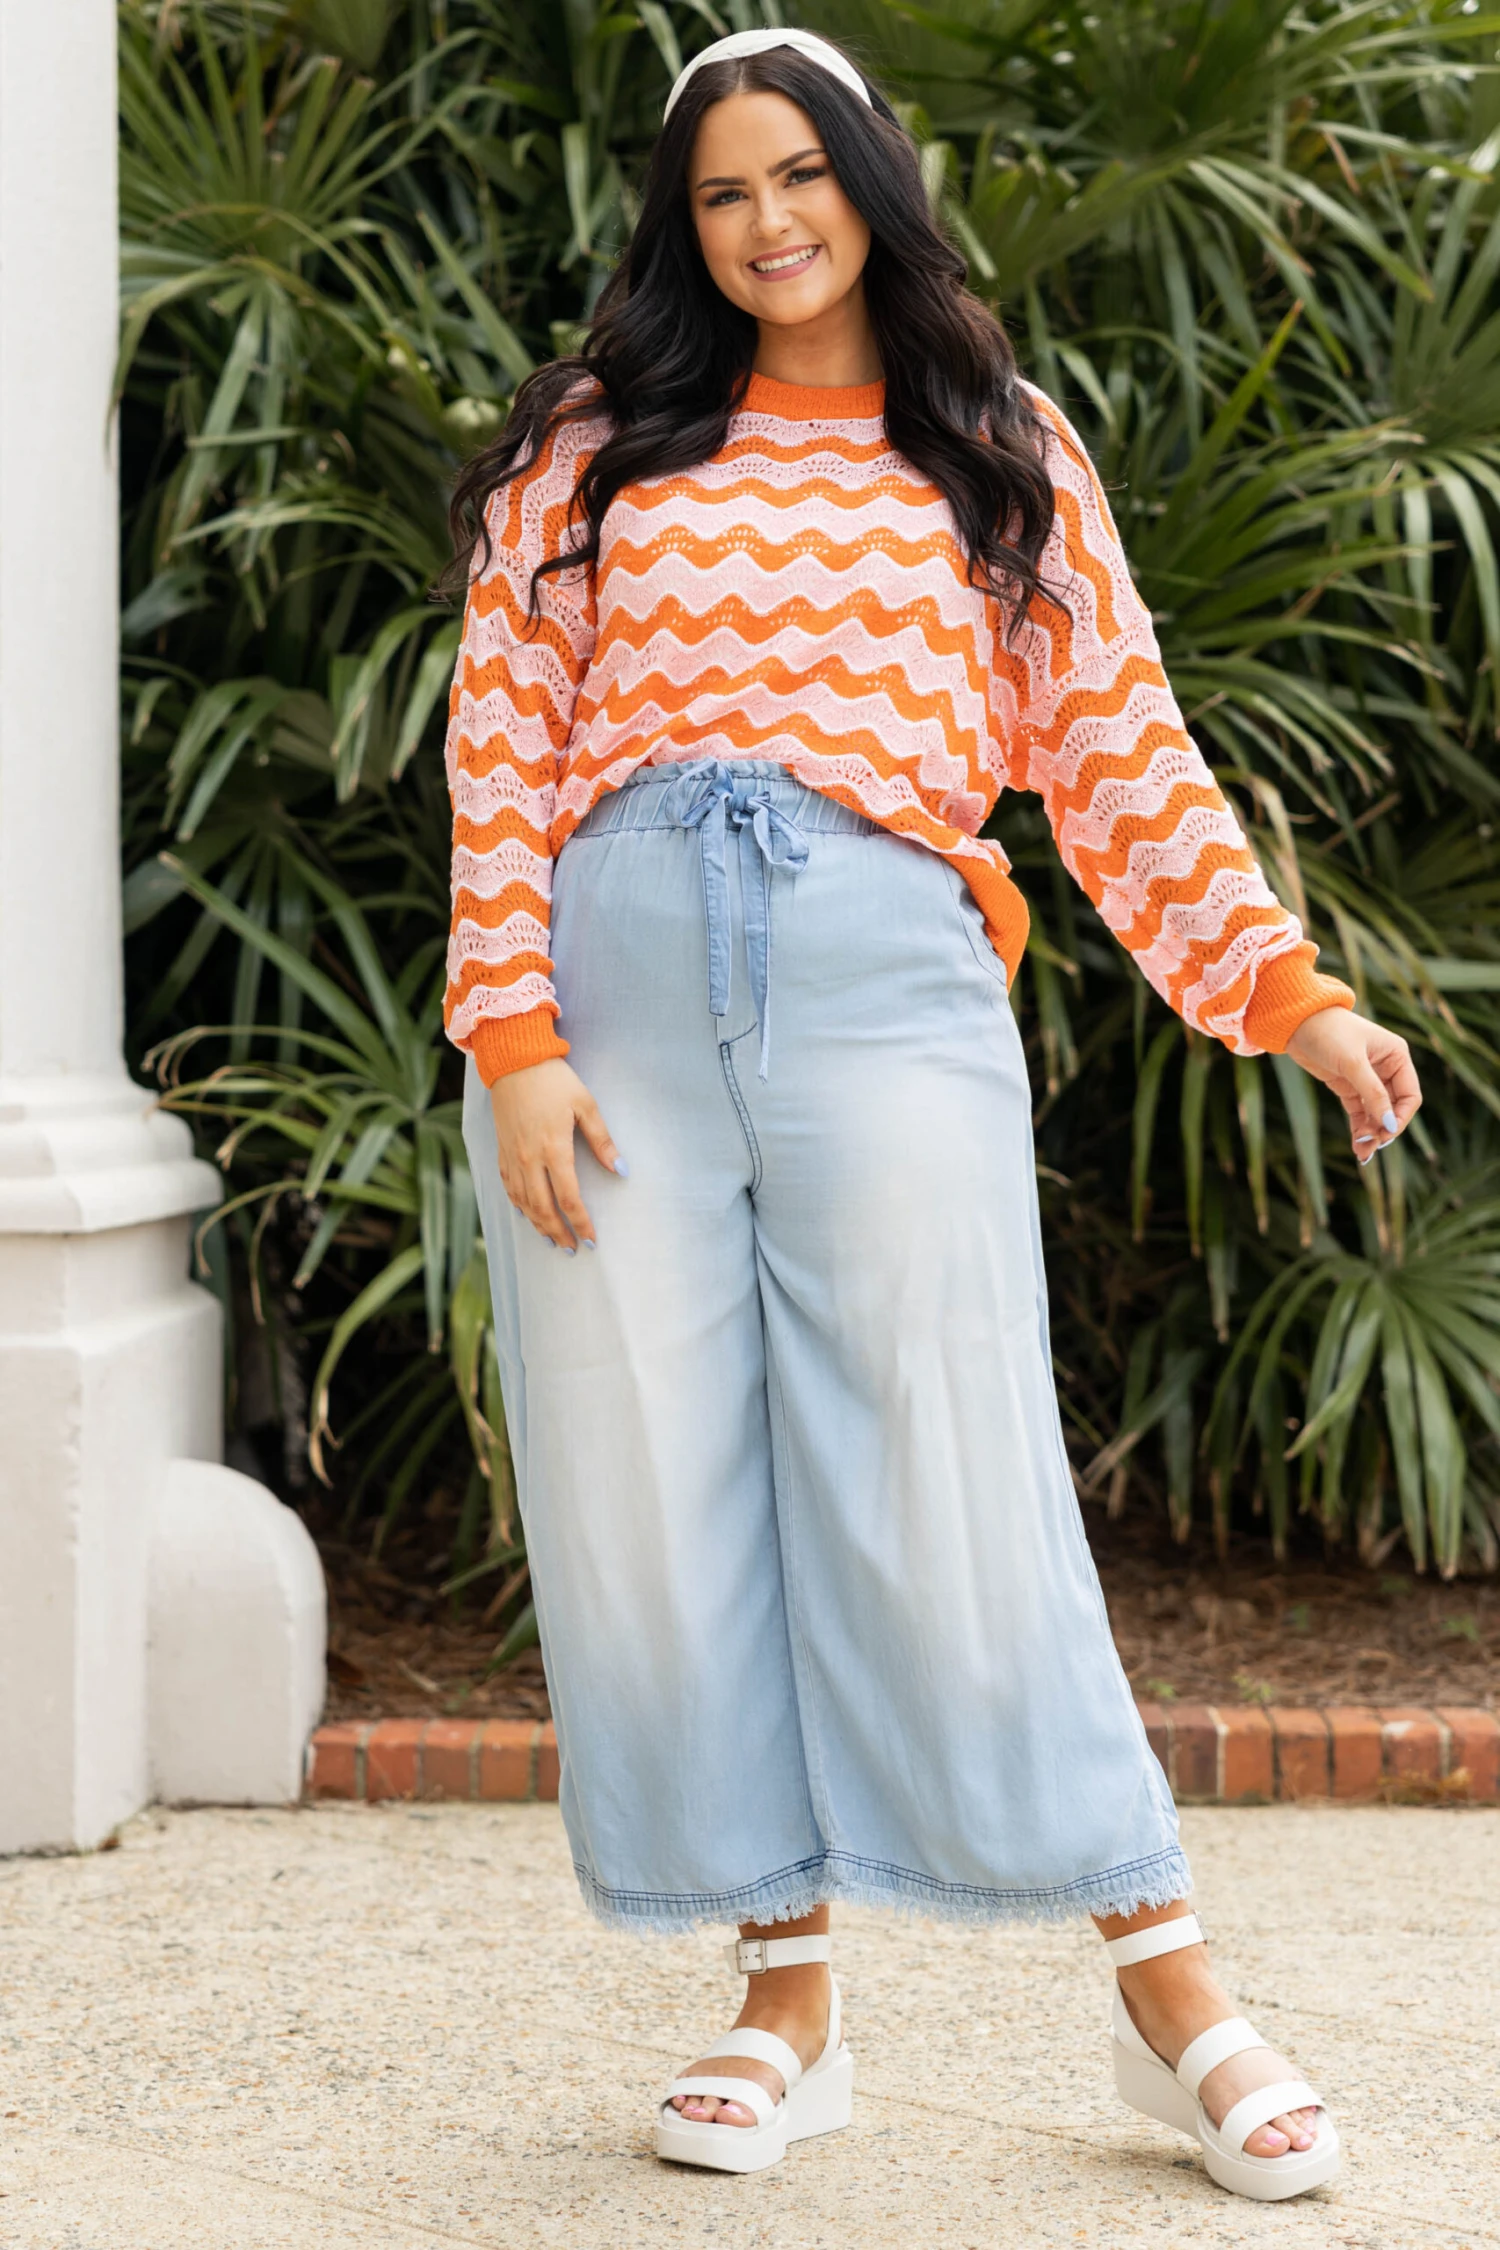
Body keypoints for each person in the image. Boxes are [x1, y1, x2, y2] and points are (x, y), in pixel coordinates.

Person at [442, 27, 1419, 2201]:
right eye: (723, 192)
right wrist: (512, 1033)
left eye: (800, 174)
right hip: (611, 1004)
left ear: (870, 181)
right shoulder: (595, 448)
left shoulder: (996, 445)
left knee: (961, 1471)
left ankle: (1171, 1995)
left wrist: (1290, 996)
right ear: (683, 224)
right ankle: (784, 2005)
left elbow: (1124, 753)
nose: (766, 222)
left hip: (886, 973)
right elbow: (501, 737)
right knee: (658, 1493)